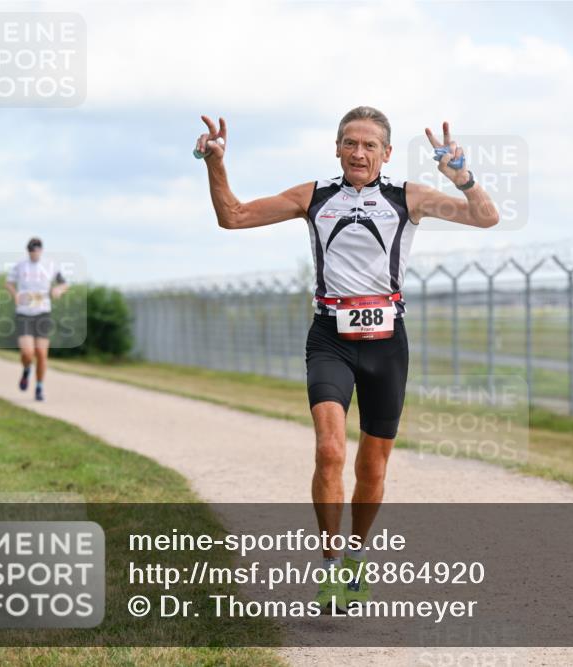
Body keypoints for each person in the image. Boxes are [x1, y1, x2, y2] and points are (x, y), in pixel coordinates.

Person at [197, 106, 498, 611]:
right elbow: (234, 216)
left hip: (387, 342)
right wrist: (215, 163)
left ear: (385, 153)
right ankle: (331, 566)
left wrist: (463, 178)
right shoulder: (314, 197)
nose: (359, 152)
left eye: (370, 145)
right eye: (350, 143)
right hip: (330, 337)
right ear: (337, 149)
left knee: (373, 468)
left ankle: (357, 558)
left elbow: (486, 218)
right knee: (330, 449)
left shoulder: (409, 198)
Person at [5, 237, 68, 401]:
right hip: (24, 313)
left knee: (41, 352)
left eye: (37, 250)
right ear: (28, 251)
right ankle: (26, 369)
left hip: (43, 312)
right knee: (27, 352)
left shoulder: (50, 265)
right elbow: (9, 283)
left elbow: (64, 284)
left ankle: (39, 387)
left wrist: (58, 290)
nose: (34, 253)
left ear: (41, 250)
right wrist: (15, 295)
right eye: (32, 250)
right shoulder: (20, 266)